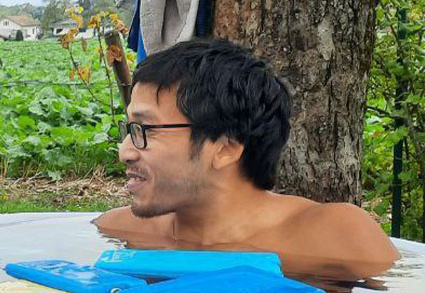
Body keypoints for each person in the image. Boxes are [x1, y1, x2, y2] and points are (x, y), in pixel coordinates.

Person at [94, 38, 398, 279]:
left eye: (146, 129)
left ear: (226, 147)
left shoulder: (334, 237)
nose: (125, 151)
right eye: (129, 129)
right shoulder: (119, 229)